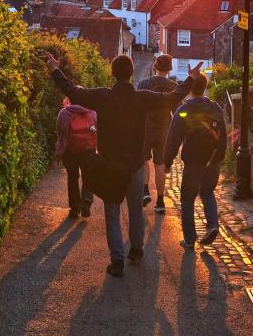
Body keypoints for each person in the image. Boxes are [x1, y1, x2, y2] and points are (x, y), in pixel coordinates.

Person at [45, 52, 203, 277]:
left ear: (112, 73)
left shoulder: (102, 97)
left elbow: (73, 92)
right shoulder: (142, 98)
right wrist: (191, 79)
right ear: (131, 74)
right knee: (136, 210)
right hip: (136, 165)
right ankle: (136, 250)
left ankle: (117, 260)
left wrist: (54, 69)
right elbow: (172, 97)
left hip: (110, 165)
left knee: (112, 213)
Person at [164, 73, 226, 249]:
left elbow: (173, 138)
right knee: (207, 192)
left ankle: (190, 238)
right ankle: (213, 225)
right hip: (213, 159)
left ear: (190, 88)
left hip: (193, 161)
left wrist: (167, 162)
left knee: (187, 198)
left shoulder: (184, 110)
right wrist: (219, 157)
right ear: (205, 87)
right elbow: (223, 137)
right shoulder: (216, 108)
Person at [137, 54, 179, 214]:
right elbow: (177, 112)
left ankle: (145, 190)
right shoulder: (174, 87)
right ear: (169, 69)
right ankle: (160, 201)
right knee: (160, 164)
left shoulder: (143, 84)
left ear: (155, 66)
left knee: (143, 161)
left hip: (146, 127)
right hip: (164, 130)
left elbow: (137, 107)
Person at [55, 95, 97, 219]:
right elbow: (96, 128)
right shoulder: (91, 111)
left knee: (72, 177)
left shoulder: (64, 112)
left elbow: (59, 130)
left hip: (69, 150)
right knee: (88, 176)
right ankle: (87, 201)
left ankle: (75, 208)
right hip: (88, 150)